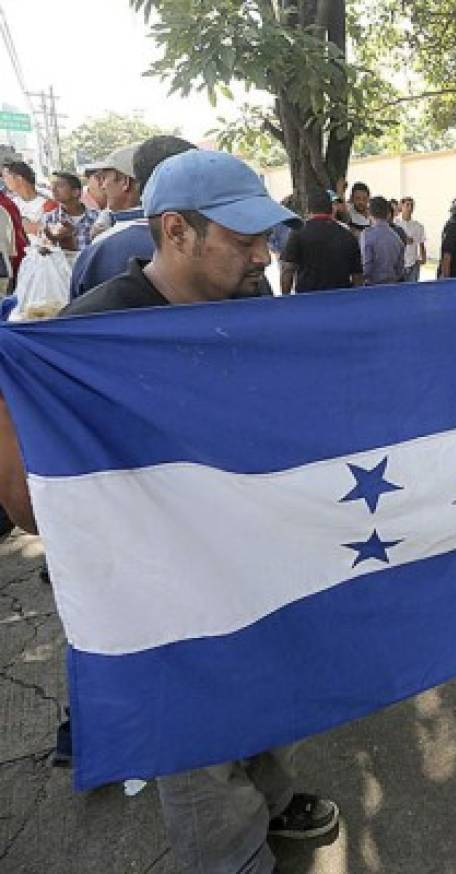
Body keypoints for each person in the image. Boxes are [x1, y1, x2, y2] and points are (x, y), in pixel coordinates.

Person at [0, 148, 339, 874]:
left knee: (268, 702)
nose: (263, 255)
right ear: (177, 231)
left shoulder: (252, 308)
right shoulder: (90, 336)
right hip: (163, 598)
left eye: (264, 239)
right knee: (198, 752)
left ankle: (273, 800)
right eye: (244, 240)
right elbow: (36, 511)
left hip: (255, 568)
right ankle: (236, 858)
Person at [69, 137, 197, 299]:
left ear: (125, 182)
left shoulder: (100, 249)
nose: (102, 186)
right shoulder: (213, 236)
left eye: (104, 178)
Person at [280, 189, 363, 293]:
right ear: (330, 209)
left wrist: (285, 298)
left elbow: (288, 269)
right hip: (341, 299)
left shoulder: (298, 233)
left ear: (308, 209)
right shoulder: (348, 235)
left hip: (308, 299)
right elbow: (357, 276)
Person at [41, 172, 99, 252]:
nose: (53, 189)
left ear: (75, 192)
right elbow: (44, 250)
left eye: (60, 186)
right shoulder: (49, 218)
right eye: (53, 186)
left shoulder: (97, 217)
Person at [360, 195, 407, 286]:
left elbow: (366, 268)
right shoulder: (397, 237)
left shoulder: (366, 235)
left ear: (369, 213)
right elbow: (400, 270)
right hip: (391, 286)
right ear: (388, 214)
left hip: (372, 287)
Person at [1, 161, 49, 237]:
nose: (4, 180)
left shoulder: (47, 203)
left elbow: (49, 231)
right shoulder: (11, 203)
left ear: (19, 178)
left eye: (5, 177)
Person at [393, 196, 426, 282]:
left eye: (412, 205)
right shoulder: (395, 224)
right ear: (401, 206)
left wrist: (423, 258)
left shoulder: (418, 226)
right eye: (407, 205)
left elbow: (421, 243)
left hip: (413, 263)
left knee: (412, 290)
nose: (410, 208)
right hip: (399, 264)